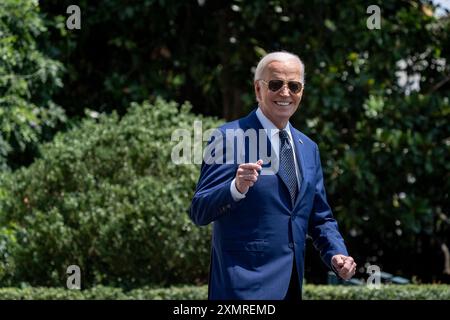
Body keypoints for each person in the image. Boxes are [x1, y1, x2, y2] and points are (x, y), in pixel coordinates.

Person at [189, 51, 356, 300]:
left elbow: (319, 218)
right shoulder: (227, 137)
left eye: (294, 86)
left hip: (291, 287)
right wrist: (235, 188)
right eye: (276, 84)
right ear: (258, 90)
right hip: (241, 290)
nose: (285, 93)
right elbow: (199, 210)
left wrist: (336, 253)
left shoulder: (309, 147)